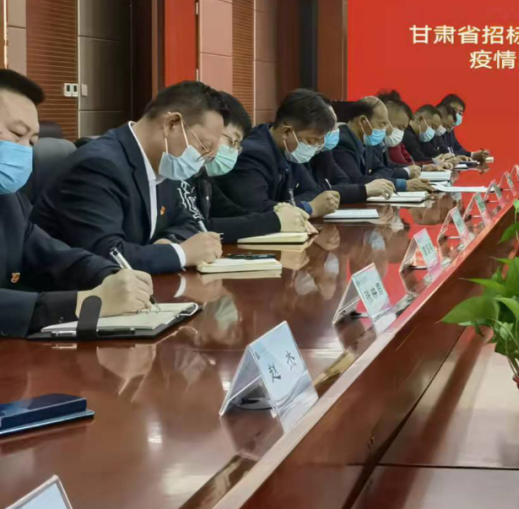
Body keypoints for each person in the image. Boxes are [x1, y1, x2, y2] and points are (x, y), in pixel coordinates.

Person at [0, 70, 154, 337]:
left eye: (32, 142)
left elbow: (51, 255)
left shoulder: (9, 199)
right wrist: (86, 304)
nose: (24, 149)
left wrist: (110, 275)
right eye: (17, 134)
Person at [32, 81, 228, 274]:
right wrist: (181, 253)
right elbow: (106, 255)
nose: (203, 160)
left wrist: (168, 243)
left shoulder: (166, 164)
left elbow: (189, 222)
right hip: (69, 289)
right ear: (171, 124)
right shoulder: (98, 166)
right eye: (203, 146)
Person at [179, 93, 314, 241]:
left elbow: (228, 211)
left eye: (238, 145)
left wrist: (278, 212)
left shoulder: (200, 173)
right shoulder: (176, 171)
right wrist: (275, 221)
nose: (235, 152)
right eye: (232, 142)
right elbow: (195, 229)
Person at [214, 89, 342, 217]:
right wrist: (307, 208)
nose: (314, 148)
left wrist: (288, 206)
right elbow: (256, 209)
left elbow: (314, 192)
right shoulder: (252, 154)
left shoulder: (289, 150)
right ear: (286, 132)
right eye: (310, 141)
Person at [332, 96, 432, 193]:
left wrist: (374, 178)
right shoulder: (342, 142)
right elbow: (356, 180)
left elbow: (382, 169)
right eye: (381, 124)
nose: (386, 130)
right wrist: (402, 184)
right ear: (362, 122)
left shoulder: (366, 140)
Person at [309, 98, 395, 203]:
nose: (337, 129)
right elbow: (355, 181)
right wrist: (366, 188)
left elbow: (344, 181)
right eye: (331, 126)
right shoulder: (343, 142)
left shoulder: (324, 151)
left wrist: (375, 181)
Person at [439, 93, 489, 162]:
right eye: (454, 111)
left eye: (460, 113)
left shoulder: (450, 128)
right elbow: (440, 154)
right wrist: (456, 157)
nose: (456, 115)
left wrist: (473, 155)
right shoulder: (435, 129)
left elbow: (457, 148)